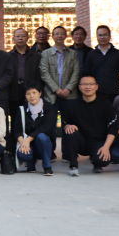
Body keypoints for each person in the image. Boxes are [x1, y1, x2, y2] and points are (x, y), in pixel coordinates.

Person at [62, 74, 118, 176]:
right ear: (79, 87)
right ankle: (73, 166)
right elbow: (66, 122)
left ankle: (96, 162)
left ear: (96, 86)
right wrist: (68, 126)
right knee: (70, 132)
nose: (88, 87)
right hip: (80, 141)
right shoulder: (73, 105)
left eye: (91, 84)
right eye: (84, 84)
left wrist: (106, 147)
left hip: (98, 141)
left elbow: (113, 128)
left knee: (103, 161)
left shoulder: (106, 104)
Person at [39, 26, 80, 160]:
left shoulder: (72, 53)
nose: (59, 36)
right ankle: (50, 152)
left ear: (66, 36)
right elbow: (44, 73)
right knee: (50, 124)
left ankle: (67, 154)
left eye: (62, 33)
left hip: (70, 95)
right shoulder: (46, 53)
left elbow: (76, 73)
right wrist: (56, 89)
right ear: (52, 36)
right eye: (56, 33)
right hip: (51, 95)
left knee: (68, 124)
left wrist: (68, 88)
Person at [12, 82, 56, 176]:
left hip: (44, 144)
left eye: (34, 92)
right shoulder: (22, 109)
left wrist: (29, 139)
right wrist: (22, 142)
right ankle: (30, 164)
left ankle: (47, 167)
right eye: (28, 93)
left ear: (40, 93)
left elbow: (45, 127)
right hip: (29, 145)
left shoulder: (48, 107)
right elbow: (17, 128)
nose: (31, 96)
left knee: (41, 136)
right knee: (22, 154)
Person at [84, 25, 119, 104]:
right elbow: (87, 75)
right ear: (97, 37)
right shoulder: (91, 54)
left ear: (110, 36)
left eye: (105, 35)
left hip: (114, 93)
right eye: (100, 35)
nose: (102, 37)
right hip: (95, 93)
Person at [9, 28, 42, 135]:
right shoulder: (8, 56)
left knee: (31, 118)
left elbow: (39, 75)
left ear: (27, 38)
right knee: (15, 117)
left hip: (30, 89)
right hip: (14, 89)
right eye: (18, 36)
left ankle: (30, 141)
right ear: (13, 38)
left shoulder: (36, 56)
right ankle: (14, 143)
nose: (20, 38)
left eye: (23, 36)